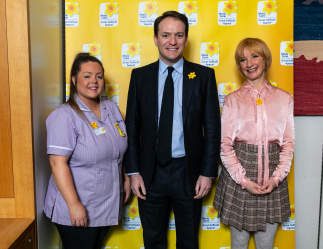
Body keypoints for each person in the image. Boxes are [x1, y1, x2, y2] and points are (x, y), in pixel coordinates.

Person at [125, 11, 221, 249]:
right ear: (156, 39)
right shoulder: (139, 76)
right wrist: (133, 171)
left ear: (186, 39)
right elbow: (132, 127)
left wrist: (207, 173)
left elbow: (212, 129)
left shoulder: (203, 76)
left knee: (188, 241)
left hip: (188, 173)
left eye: (179, 35)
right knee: (153, 240)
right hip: (150, 173)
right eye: (166, 35)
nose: (172, 41)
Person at [213, 38, 294, 249]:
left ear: (265, 58)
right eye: (243, 59)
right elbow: (224, 145)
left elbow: (287, 144)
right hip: (239, 176)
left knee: (265, 246)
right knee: (238, 245)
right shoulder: (232, 100)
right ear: (239, 66)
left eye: (254, 56)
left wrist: (276, 178)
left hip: (272, 178)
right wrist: (244, 181)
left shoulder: (285, 99)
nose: (249, 63)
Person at [43, 53, 130, 249]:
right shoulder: (64, 116)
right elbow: (57, 163)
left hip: (105, 203)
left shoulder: (111, 109)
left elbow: (118, 148)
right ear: (74, 80)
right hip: (77, 206)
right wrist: (74, 205)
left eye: (99, 76)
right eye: (87, 76)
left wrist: (126, 177)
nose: (94, 81)